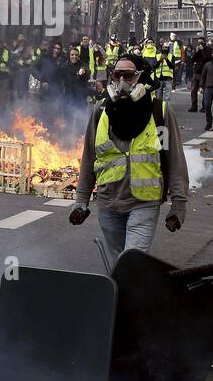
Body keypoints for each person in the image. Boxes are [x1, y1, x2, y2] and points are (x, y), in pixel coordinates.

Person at [69, 54, 188, 269]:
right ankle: (124, 301)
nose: (122, 82)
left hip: (144, 203)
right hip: (109, 203)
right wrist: (81, 200)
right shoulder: (101, 111)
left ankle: (130, 301)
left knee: (131, 263)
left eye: (129, 75)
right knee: (118, 264)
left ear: (140, 77)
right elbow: (89, 159)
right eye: (117, 75)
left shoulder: (158, 112)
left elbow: (175, 161)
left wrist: (179, 205)